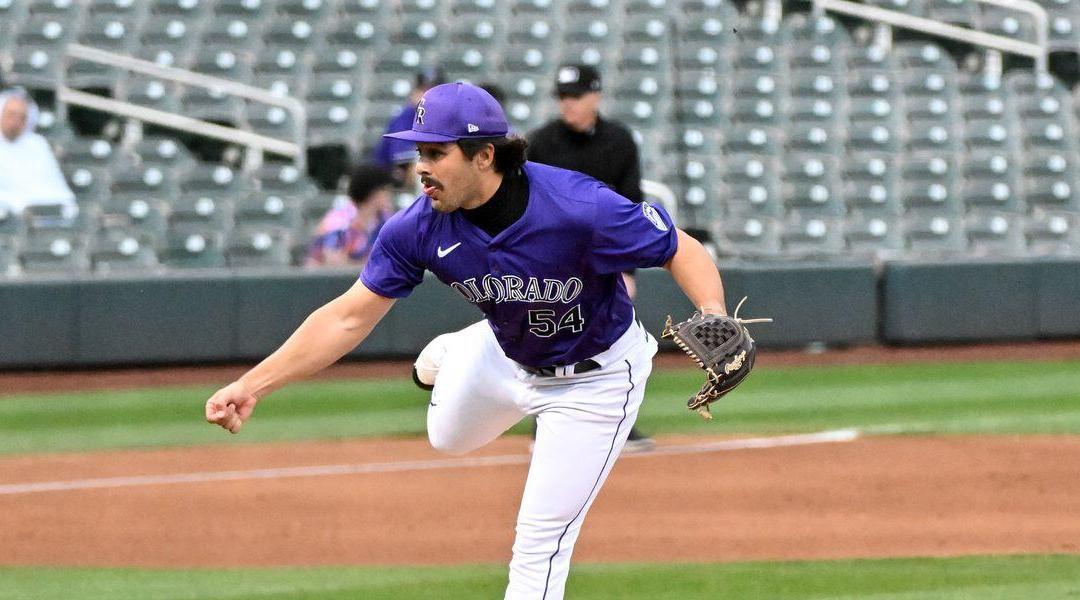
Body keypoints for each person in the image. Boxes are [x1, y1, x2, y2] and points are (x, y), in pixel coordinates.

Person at [204, 83, 731, 600]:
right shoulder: (417, 227)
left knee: (540, 545)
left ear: (484, 156)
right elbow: (347, 317)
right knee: (447, 438)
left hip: (595, 382)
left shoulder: (577, 205)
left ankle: (463, 349)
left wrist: (712, 314)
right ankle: (459, 348)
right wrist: (254, 384)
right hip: (506, 350)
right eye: (418, 152)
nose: (421, 167)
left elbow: (677, 248)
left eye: (437, 152)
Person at [526, 63, 655, 451]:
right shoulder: (542, 142)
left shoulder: (619, 141)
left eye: (576, 96)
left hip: (604, 258)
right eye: (563, 97)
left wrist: (628, 266)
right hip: (552, 257)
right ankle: (545, 424)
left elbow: (632, 202)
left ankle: (617, 423)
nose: (568, 104)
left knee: (612, 341)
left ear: (595, 95)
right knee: (549, 339)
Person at [0, 88, 77, 215]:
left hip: (41, 214)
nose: (15, 122)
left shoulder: (38, 145)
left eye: (22, 117)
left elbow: (57, 188)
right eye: (11, 115)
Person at [304, 164, 397, 267]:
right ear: (373, 194)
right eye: (386, 190)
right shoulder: (338, 222)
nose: (390, 194)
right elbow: (333, 263)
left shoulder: (386, 220)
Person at [371, 66, 446, 188]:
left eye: (434, 91)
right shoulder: (404, 118)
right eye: (423, 90)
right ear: (414, 93)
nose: (428, 96)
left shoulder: (450, 119)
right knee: (420, 163)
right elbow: (404, 161)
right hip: (393, 184)